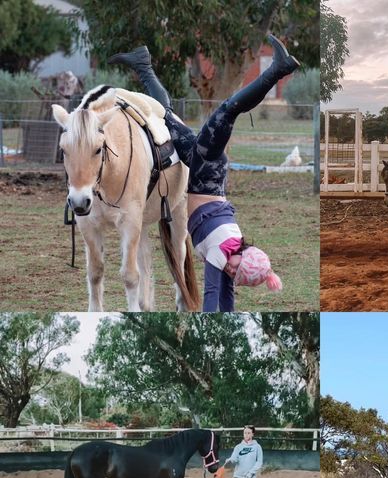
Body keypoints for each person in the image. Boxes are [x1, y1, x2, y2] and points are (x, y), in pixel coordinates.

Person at [108, 35, 294, 311]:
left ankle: (143, 65)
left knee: (166, 117)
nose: (231, 274)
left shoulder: (229, 255)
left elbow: (227, 299)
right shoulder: (222, 251)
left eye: (235, 277)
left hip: (203, 170)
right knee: (229, 110)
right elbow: (211, 296)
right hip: (207, 169)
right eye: (236, 271)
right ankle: (278, 69)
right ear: (241, 256)